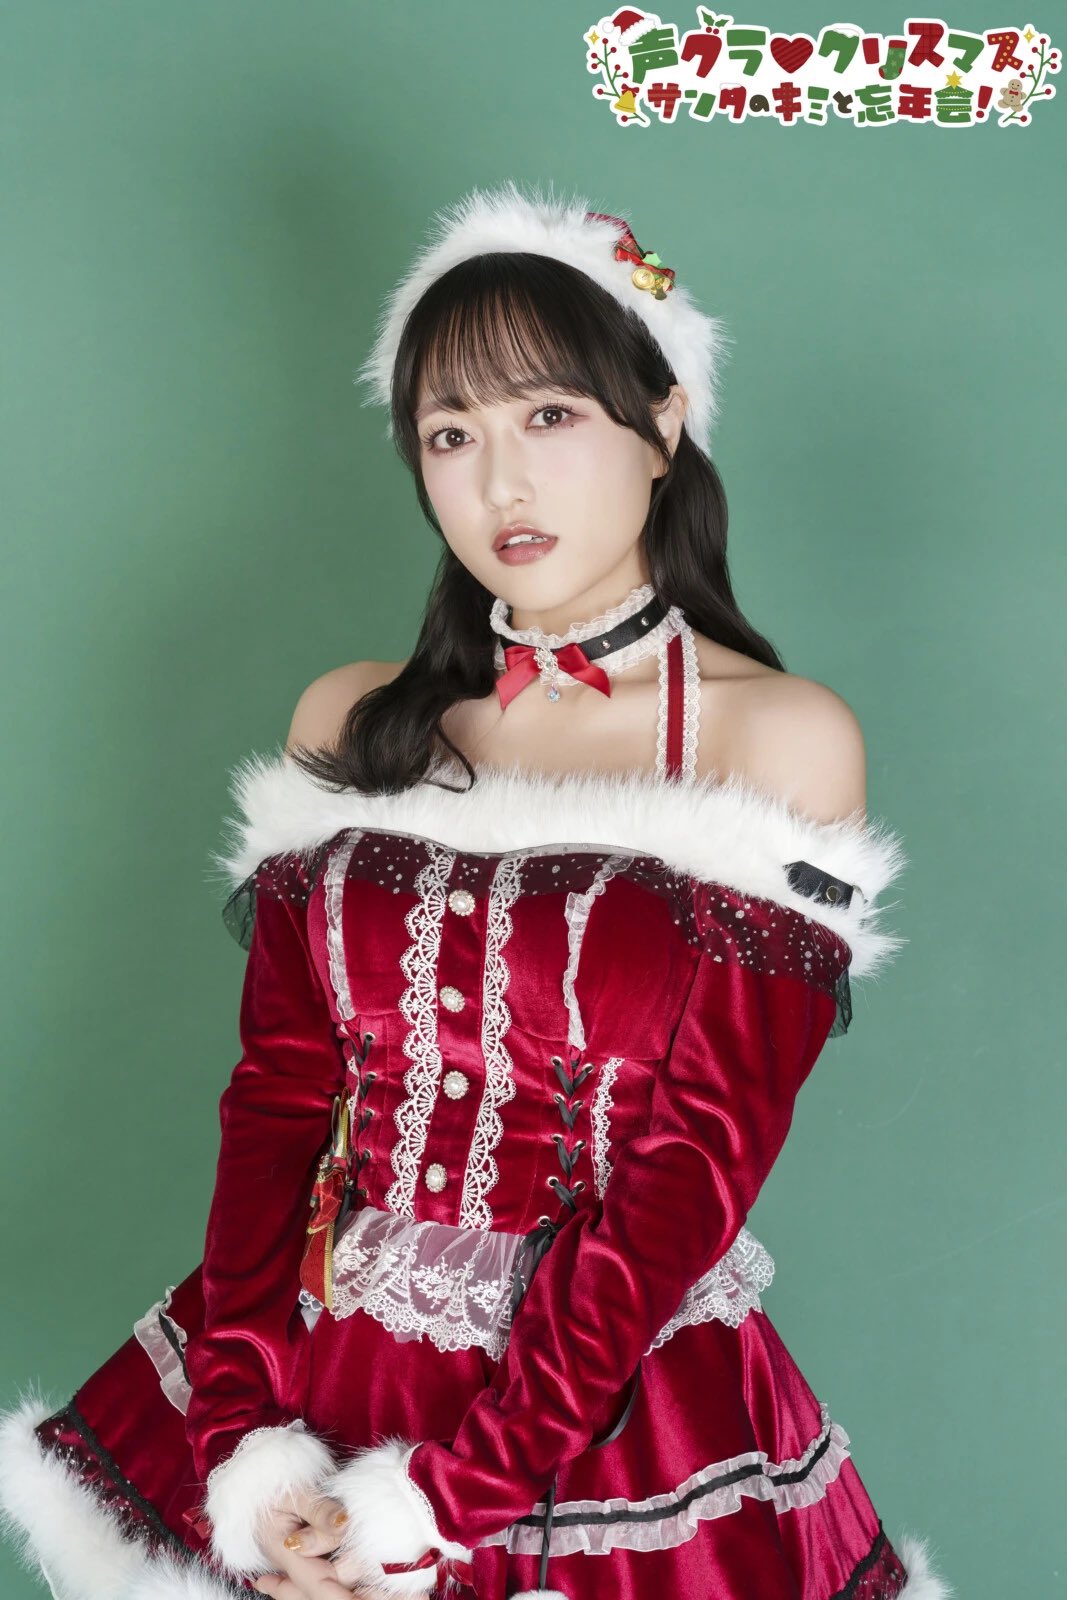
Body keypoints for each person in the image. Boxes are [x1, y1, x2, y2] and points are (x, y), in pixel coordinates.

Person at [0, 181, 953, 1600]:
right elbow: (279, 1098)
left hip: (601, 1408)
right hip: (313, 1368)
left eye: (550, 417)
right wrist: (246, 1443)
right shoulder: (351, 723)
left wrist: (455, 1498)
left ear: (664, 425)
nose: (501, 484)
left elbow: (693, 1169)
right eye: (451, 435)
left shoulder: (779, 742)